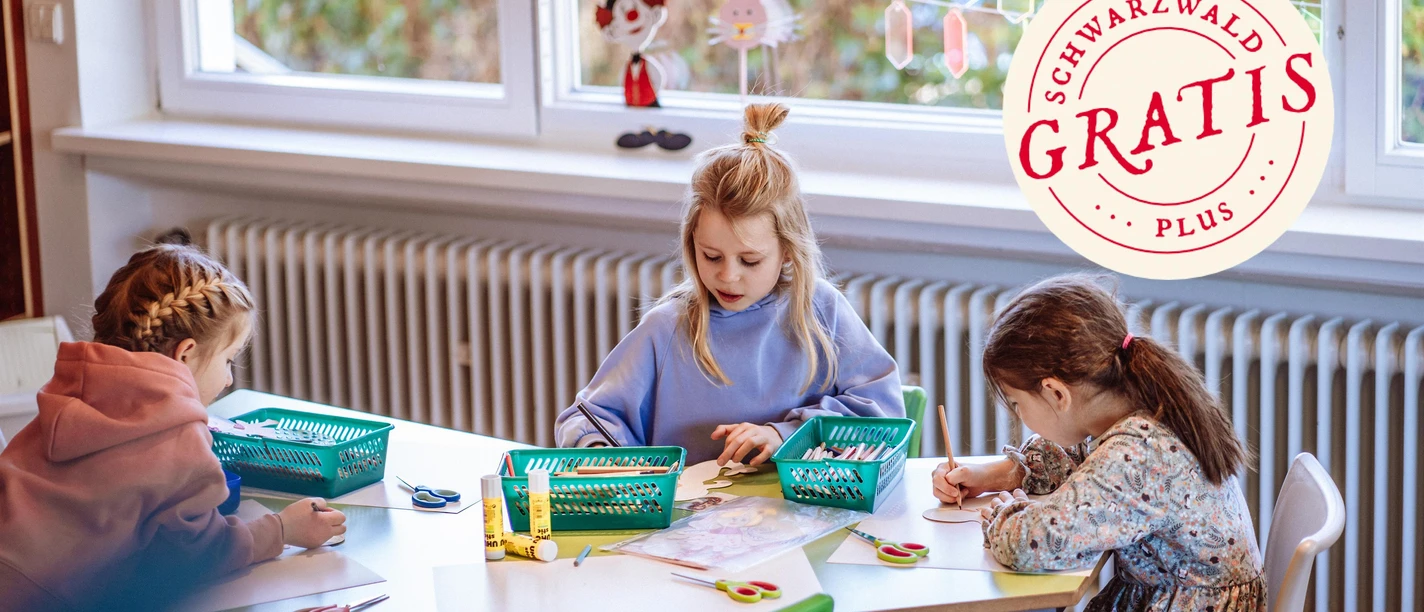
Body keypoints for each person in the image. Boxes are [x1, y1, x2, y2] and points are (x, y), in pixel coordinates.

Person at [0, 244, 347, 611]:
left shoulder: (63, 394)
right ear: (185, 354)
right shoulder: (178, 433)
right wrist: (281, 530)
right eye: (228, 361)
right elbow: (195, 557)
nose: (228, 380)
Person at [555, 103, 904, 466]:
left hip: (802, 514)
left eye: (750, 260)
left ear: (787, 250)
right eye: (711, 256)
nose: (728, 276)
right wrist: (596, 451)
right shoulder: (668, 327)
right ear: (692, 243)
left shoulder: (823, 310)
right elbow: (585, 419)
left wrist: (784, 435)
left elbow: (883, 417)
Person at [933, 273, 1264, 611]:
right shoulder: (1140, 406)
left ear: (1056, 393)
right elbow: (1081, 459)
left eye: (1017, 404)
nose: (1018, 415)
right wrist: (996, 475)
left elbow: (1030, 543)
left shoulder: (1139, 452)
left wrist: (1003, 512)